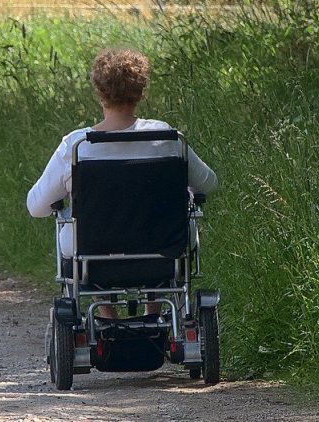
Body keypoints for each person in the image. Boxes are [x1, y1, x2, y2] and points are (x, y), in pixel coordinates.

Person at [26, 48, 218, 319]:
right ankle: (156, 310)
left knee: (72, 230)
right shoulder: (169, 140)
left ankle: (106, 316)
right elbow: (209, 183)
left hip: (93, 259)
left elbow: (37, 207)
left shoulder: (77, 146)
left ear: (99, 91)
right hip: (164, 256)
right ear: (141, 92)